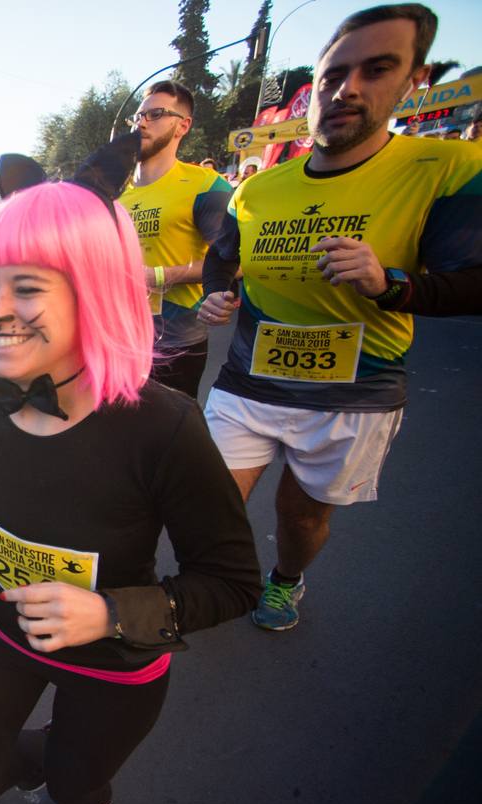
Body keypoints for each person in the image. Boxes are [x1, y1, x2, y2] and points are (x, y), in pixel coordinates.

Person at [0, 159, 260, 804]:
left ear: (93, 293)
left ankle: (80, 797)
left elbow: (233, 581)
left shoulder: (163, 428)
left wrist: (109, 614)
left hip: (113, 661)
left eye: (27, 287)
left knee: (73, 782)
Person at [197, 2, 482, 631]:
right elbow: (223, 261)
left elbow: (472, 282)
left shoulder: (447, 169)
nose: (347, 89)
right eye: (333, 75)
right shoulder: (260, 189)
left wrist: (391, 285)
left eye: (376, 70)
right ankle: (208, 588)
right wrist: (217, 294)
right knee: (209, 502)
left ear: (416, 80)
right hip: (249, 383)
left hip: (353, 394)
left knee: (301, 518)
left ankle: (286, 579)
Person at [120, 80, 234, 398]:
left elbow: (234, 261)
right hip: (118, 341)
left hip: (176, 343)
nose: (142, 122)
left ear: (183, 125)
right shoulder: (117, 194)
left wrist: (159, 276)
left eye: (155, 114)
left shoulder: (204, 185)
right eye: (137, 116)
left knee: (165, 441)